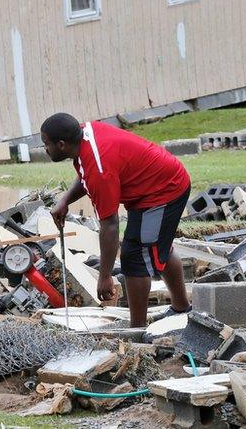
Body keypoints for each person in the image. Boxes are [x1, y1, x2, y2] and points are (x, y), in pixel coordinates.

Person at [41, 113, 192, 328]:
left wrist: (105, 277)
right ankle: (181, 309)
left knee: (135, 256)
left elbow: (110, 225)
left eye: (46, 144)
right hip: (154, 186)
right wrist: (65, 199)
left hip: (164, 191)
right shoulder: (83, 136)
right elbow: (87, 171)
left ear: (62, 145)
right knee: (159, 247)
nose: (44, 149)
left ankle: (137, 330)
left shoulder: (99, 170)